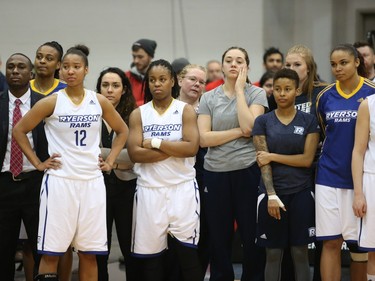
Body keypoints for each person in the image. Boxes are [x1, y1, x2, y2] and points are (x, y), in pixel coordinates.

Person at [13, 44, 128, 281]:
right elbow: (19, 130)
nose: (70, 71)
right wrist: (38, 163)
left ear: (86, 70)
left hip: (92, 183)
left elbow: (122, 131)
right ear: (60, 70)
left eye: (76, 67)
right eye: (66, 67)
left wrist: (111, 161)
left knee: (88, 254)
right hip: (60, 182)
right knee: (52, 252)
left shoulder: (98, 101)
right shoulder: (51, 102)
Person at [198, 46, 268, 281]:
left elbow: (252, 127)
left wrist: (239, 91)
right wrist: (239, 131)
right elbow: (204, 138)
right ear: (223, 65)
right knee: (219, 235)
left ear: (247, 65)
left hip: (247, 170)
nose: (233, 64)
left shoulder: (256, 94)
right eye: (228, 60)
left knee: (251, 234)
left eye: (239, 60)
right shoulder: (208, 97)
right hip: (215, 172)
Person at [127, 59, 201, 281]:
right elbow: (134, 154)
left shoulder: (185, 111)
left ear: (172, 82)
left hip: (183, 189)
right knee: (152, 260)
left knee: (188, 255)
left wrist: (157, 143)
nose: (157, 84)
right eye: (152, 80)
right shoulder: (138, 114)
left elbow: (191, 148)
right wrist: (174, 147)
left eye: (162, 79)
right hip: (149, 190)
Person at [253, 68, 320, 281]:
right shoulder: (262, 121)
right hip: (272, 194)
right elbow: (263, 162)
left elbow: (306, 160)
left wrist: (273, 156)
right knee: (273, 254)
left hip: (301, 193)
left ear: (297, 90)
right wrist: (271, 195)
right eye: (277, 89)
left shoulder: (308, 121)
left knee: (300, 252)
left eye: (287, 89)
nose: (281, 93)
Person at [315, 43, 375, 281]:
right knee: (331, 241)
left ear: (357, 63)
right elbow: (323, 131)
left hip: (361, 179)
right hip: (328, 175)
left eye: (343, 63)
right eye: (333, 64)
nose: (337, 68)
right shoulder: (324, 96)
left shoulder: (371, 93)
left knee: (360, 246)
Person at [21, 40, 72, 281]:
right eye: (39, 56)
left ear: (59, 64)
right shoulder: (23, 87)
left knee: (64, 241)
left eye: (48, 58)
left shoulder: (66, 90)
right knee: (34, 239)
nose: (42, 61)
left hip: (62, 170)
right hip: (31, 170)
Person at [0, 53, 48, 281]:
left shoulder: (44, 104)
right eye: (10, 67)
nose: (15, 71)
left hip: (35, 183)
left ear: (31, 74)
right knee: (3, 250)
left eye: (21, 67)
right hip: (4, 185)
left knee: (41, 248)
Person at [95, 67, 137, 281]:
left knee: (129, 247)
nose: (110, 90)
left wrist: (110, 161)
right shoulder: (89, 114)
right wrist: (119, 158)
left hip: (126, 187)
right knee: (98, 248)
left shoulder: (133, 116)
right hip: (95, 188)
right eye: (105, 85)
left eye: (115, 85)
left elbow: (135, 155)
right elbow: (85, 154)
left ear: (124, 90)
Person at [167, 64, 209, 281]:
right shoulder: (167, 108)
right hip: (170, 178)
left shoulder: (207, 109)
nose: (197, 85)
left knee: (201, 235)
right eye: (193, 79)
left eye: (202, 82)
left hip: (201, 176)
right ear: (180, 80)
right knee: (172, 236)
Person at [352, 93, 375, 281]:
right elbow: (358, 152)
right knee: (374, 251)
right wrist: (358, 194)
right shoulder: (368, 105)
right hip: (372, 180)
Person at [126, 38, 157, 106]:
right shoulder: (125, 77)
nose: (136, 61)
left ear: (150, 57)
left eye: (140, 57)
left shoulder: (159, 78)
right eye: (134, 56)